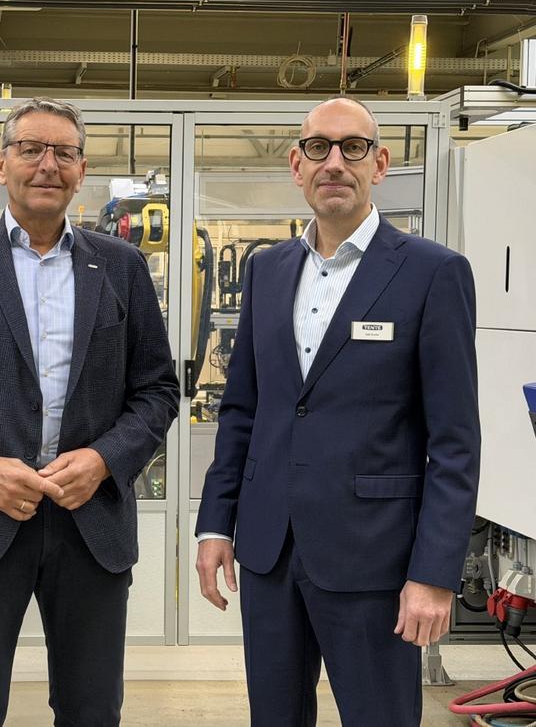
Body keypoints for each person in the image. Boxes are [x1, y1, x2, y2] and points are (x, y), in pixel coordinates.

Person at [0, 97, 179, 726]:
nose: (48, 164)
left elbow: (158, 390)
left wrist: (104, 460)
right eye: (30, 149)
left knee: (91, 710)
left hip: (91, 526)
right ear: (1, 164)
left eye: (64, 152)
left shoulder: (122, 267)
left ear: (81, 169)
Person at [194, 96, 481, 727]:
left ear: (379, 164)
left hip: (375, 560)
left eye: (353, 148)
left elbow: (455, 442)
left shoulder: (433, 273)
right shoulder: (268, 270)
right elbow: (242, 411)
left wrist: (434, 573)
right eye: (318, 147)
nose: (334, 163)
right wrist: (215, 524)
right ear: (296, 164)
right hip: (269, 552)